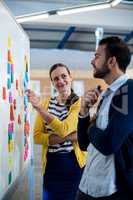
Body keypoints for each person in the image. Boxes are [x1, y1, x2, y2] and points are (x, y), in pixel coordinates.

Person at [76, 36, 133, 200]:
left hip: (109, 191)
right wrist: (84, 112)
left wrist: (92, 127)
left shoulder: (128, 91)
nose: (92, 61)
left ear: (111, 61)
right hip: (87, 185)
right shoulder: (109, 94)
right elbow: (84, 143)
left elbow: (108, 143)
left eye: (97, 56)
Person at [26, 63, 87, 200]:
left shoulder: (78, 103)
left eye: (63, 76)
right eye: (56, 79)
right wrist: (70, 136)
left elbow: (64, 128)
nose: (60, 81)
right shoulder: (47, 103)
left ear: (70, 77)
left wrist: (40, 110)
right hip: (51, 165)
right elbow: (37, 137)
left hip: (73, 164)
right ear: (53, 83)